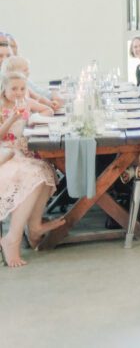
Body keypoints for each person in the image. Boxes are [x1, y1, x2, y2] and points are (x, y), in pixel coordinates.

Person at [0, 72, 64, 267]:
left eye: (22, 88)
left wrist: (34, 116)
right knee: (34, 175)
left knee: (46, 171)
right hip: (4, 154)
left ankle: (34, 226)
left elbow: (48, 110)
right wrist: (12, 119)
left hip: (21, 153)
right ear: (4, 88)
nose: (19, 93)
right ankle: (12, 238)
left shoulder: (24, 102)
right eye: (14, 89)